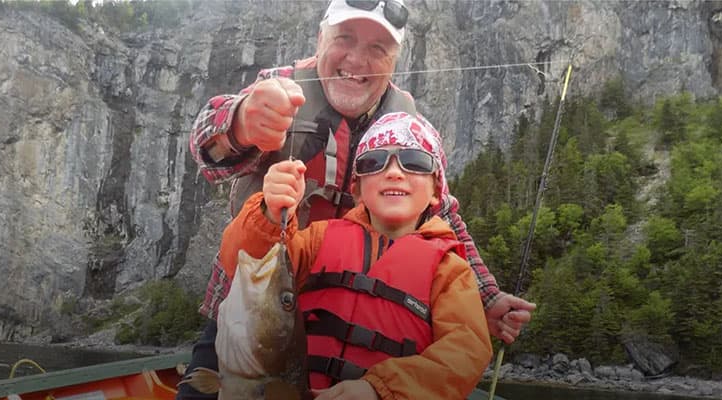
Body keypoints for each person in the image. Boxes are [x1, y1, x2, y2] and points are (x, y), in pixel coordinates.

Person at [179, 1, 535, 398]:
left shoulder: (408, 125)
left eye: (377, 49)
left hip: (345, 317)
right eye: (345, 39)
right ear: (320, 41)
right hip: (255, 302)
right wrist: (241, 122)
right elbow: (206, 152)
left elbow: (445, 216)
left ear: (395, 61)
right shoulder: (280, 85)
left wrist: (488, 297)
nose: (357, 59)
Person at [220, 112, 491, 399]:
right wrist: (270, 213)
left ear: (437, 190)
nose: (394, 172)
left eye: (415, 161)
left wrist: (379, 390)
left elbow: (466, 352)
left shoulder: (449, 269)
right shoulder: (317, 239)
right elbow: (245, 265)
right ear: (357, 189)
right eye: (373, 162)